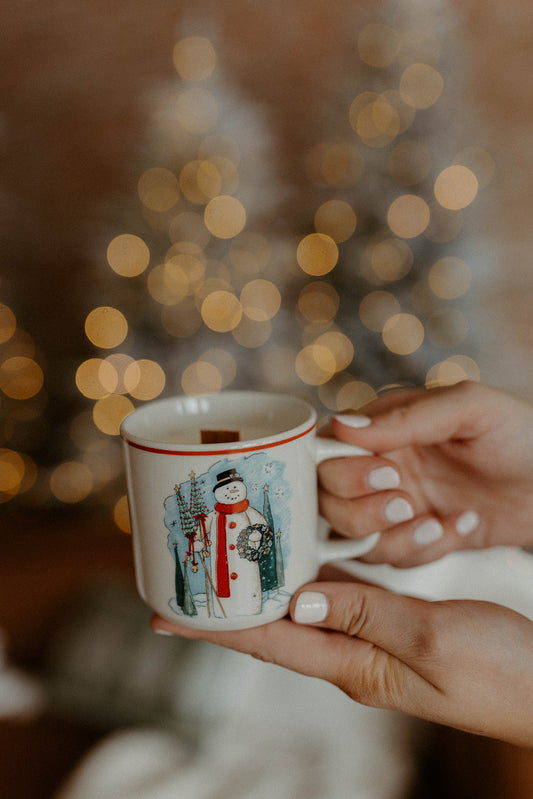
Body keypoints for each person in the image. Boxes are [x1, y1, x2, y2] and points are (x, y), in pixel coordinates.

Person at [152, 381, 533, 748]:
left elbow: (262, 536)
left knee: (250, 587)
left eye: (235, 488)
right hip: (221, 573)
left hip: (248, 571)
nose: (233, 493)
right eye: (226, 490)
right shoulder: (213, 517)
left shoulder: (251, 512)